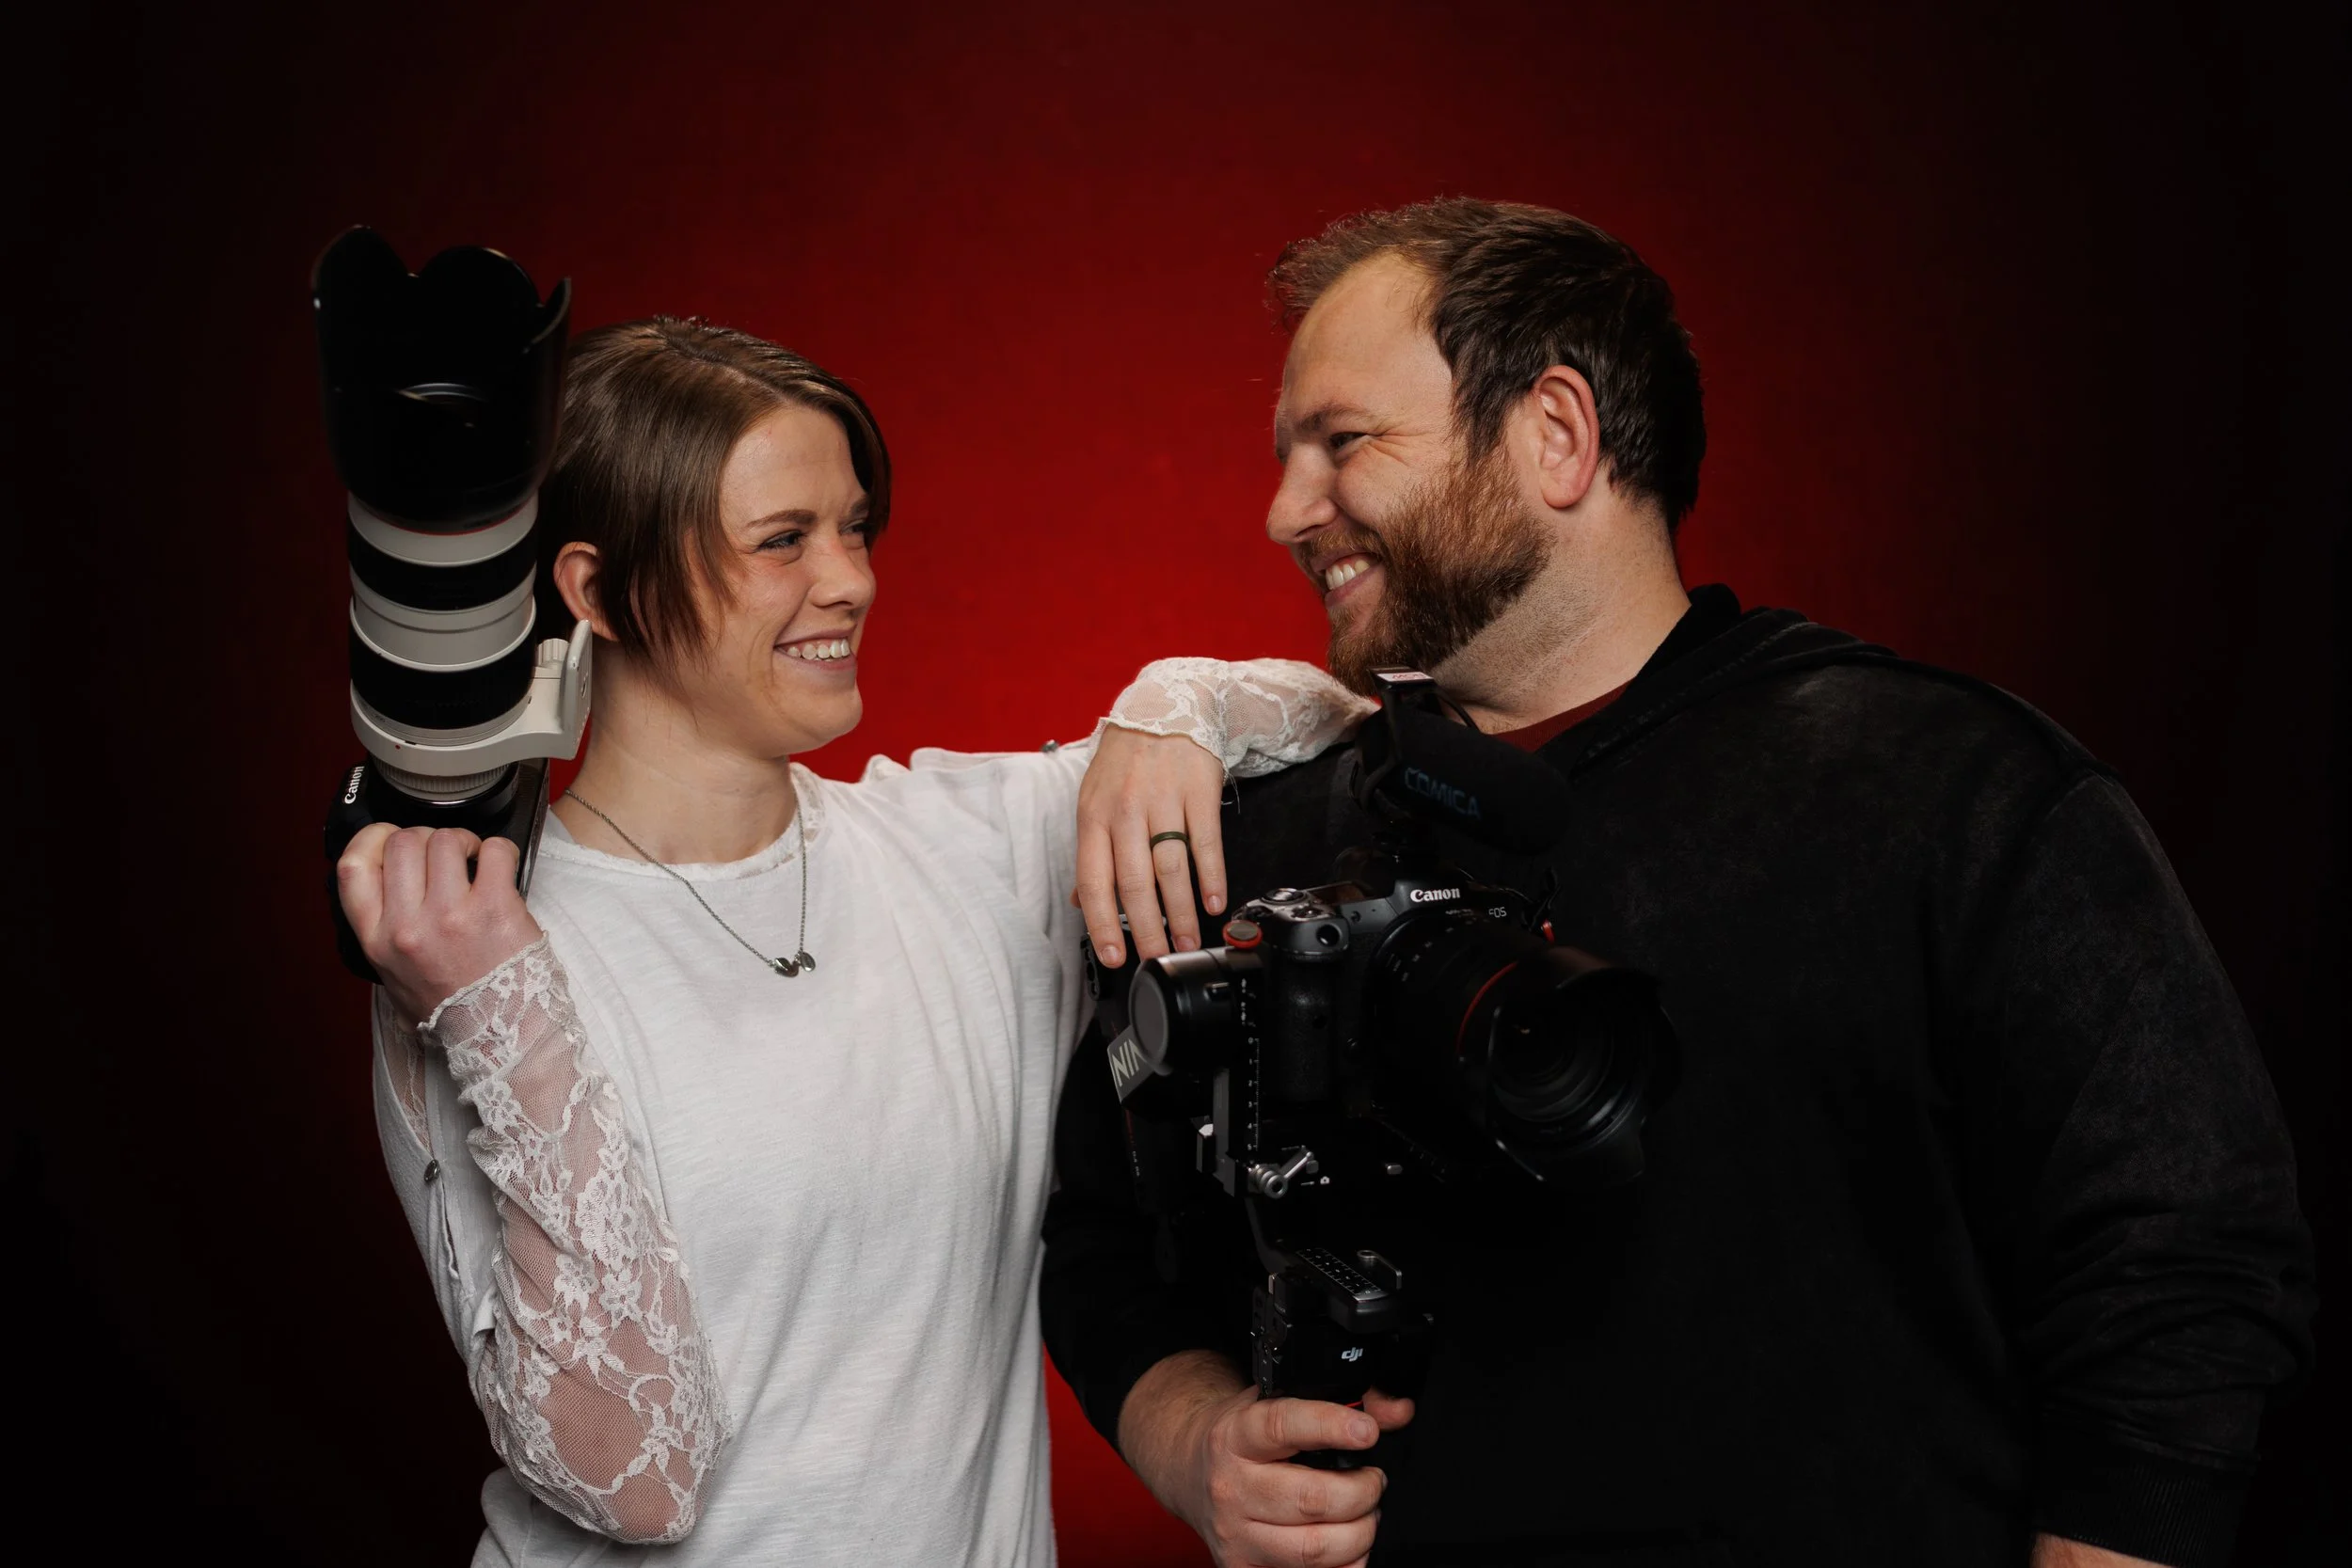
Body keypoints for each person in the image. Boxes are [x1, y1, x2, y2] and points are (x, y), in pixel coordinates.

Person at [1041, 199, 2315, 1568]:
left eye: (1343, 442)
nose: (1285, 510)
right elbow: (1101, 1245)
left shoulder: (1950, 790)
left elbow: (2178, 1272)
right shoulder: (1266, 839)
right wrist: (1196, 1447)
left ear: (1558, 435)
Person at [335, 317, 1376, 1566]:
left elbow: (1338, 721)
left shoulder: (973, 852)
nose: (853, 579)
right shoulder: (469, 950)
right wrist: (498, 1005)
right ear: (596, 589)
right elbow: (633, 1478)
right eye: (784, 540)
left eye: (855, 526)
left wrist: (1172, 705)